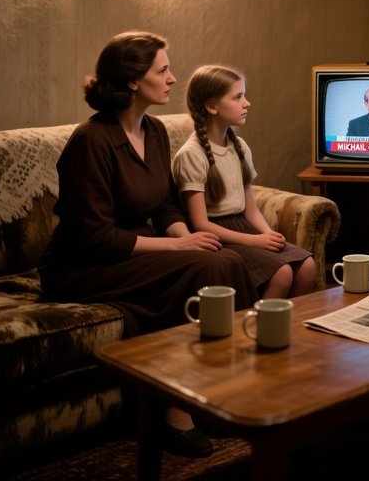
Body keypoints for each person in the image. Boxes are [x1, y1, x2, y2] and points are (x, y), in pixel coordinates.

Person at [38, 31, 259, 459]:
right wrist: (177, 250)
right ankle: (176, 411)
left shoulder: (155, 131)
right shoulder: (92, 141)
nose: (173, 78)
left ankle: (226, 389)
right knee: (208, 269)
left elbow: (164, 207)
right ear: (133, 81)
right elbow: (95, 237)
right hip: (82, 265)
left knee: (225, 259)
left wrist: (186, 237)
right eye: (163, 70)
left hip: (134, 250)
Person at [172, 65, 315, 299]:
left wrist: (268, 235)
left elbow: (251, 209)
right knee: (282, 274)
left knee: (307, 266)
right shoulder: (192, 154)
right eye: (237, 97)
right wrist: (255, 241)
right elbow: (200, 224)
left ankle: (289, 329)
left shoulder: (240, 147)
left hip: (244, 227)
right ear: (211, 106)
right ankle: (258, 333)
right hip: (219, 236)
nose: (247, 103)